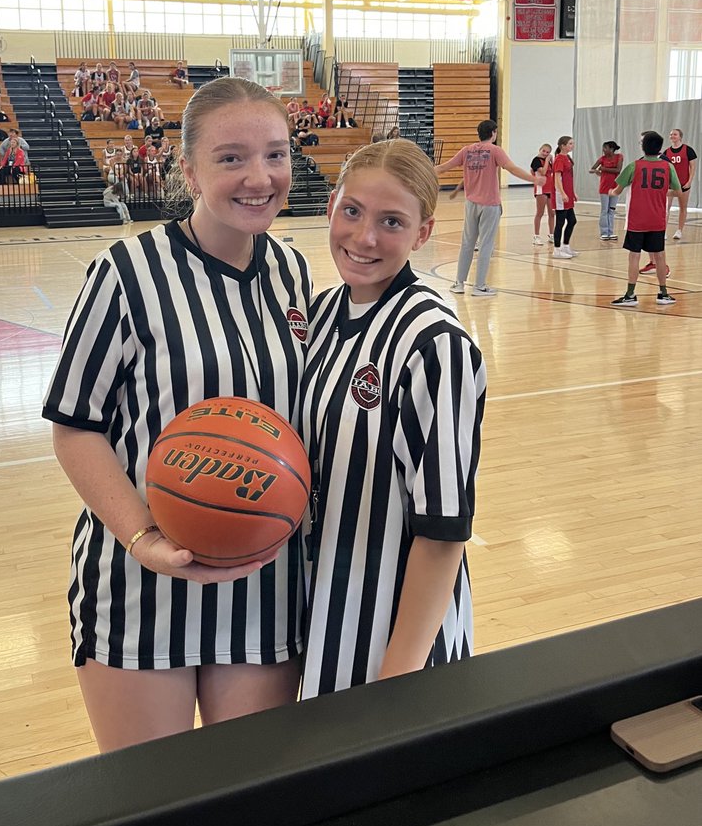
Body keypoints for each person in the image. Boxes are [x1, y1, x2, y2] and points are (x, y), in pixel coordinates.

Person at [42, 76, 311, 753]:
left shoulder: (294, 273)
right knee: (149, 811)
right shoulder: (125, 274)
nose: (260, 177)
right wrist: (142, 537)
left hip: (263, 582)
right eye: (232, 158)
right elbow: (75, 427)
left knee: (248, 799)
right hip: (140, 582)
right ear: (188, 169)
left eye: (276, 154)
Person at [300, 139, 485, 697]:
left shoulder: (435, 343)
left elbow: (444, 531)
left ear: (422, 233)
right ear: (332, 204)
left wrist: (397, 682)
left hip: (393, 643)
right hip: (318, 615)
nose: (365, 238)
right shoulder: (322, 313)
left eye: (392, 221)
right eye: (352, 211)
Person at [435, 119, 534, 296]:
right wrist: (533, 179)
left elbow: (443, 167)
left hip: (471, 204)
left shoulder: (466, 151)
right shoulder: (495, 151)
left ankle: (459, 283)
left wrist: (419, 171)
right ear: (494, 133)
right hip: (489, 205)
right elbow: (512, 168)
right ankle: (479, 286)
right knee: (486, 245)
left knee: (467, 244)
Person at [610, 131, 680, 308]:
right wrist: (662, 192)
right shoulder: (667, 166)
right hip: (657, 219)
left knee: (634, 257)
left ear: (643, 146)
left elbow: (617, 190)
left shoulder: (635, 166)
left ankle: (630, 294)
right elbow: (677, 191)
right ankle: (663, 293)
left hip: (637, 219)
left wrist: (611, 192)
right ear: (660, 148)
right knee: (660, 256)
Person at [662, 128, 696, 241]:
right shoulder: (666, 152)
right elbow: (663, 168)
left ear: (680, 136)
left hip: (683, 183)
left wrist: (689, 181)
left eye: (675, 134)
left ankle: (679, 230)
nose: (672, 136)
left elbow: (692, 167)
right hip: (670, 184)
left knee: (683, 207)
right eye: (671, 134)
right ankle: (663, 231)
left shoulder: (688, 150)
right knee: (666, 208)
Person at [550, 136, 579, 260]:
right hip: (560, 195)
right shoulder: (559, 159)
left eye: (572, 143)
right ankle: (556, 250)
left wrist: (573, 193)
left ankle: (565, 246)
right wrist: (562, 193)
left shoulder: (567, 158)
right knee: (560, 222)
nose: (572, 145)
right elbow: (557, 178)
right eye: (570, 143)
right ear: (562, 145)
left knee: (572, 220)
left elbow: (568, 178)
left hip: (568, 194)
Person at [590, 140, 623, 241]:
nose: (603, 150)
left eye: (605, 148)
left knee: (611, 210)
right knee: (604, 210)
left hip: (615, 187)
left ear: (612, 149)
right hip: (604, 187)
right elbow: (592, 169)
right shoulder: (602, 159)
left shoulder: (619, 157)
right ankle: (604, 232)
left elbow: (618, 170)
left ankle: (610, 232)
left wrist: (603, 169)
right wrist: (598, 171)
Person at [530, 143, 554, 245]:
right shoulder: (536, 160)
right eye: (543, 151)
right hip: (541, 189)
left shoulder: (549, 162)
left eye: (547, 152)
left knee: (552, 213)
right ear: (540, 150)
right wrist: (548, 161)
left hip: (550, 189)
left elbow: (553, 172)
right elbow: (543, 172)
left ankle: (552, 235)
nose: (545, 153)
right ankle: (536, 236)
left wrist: (551, 162)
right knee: (540, 212)